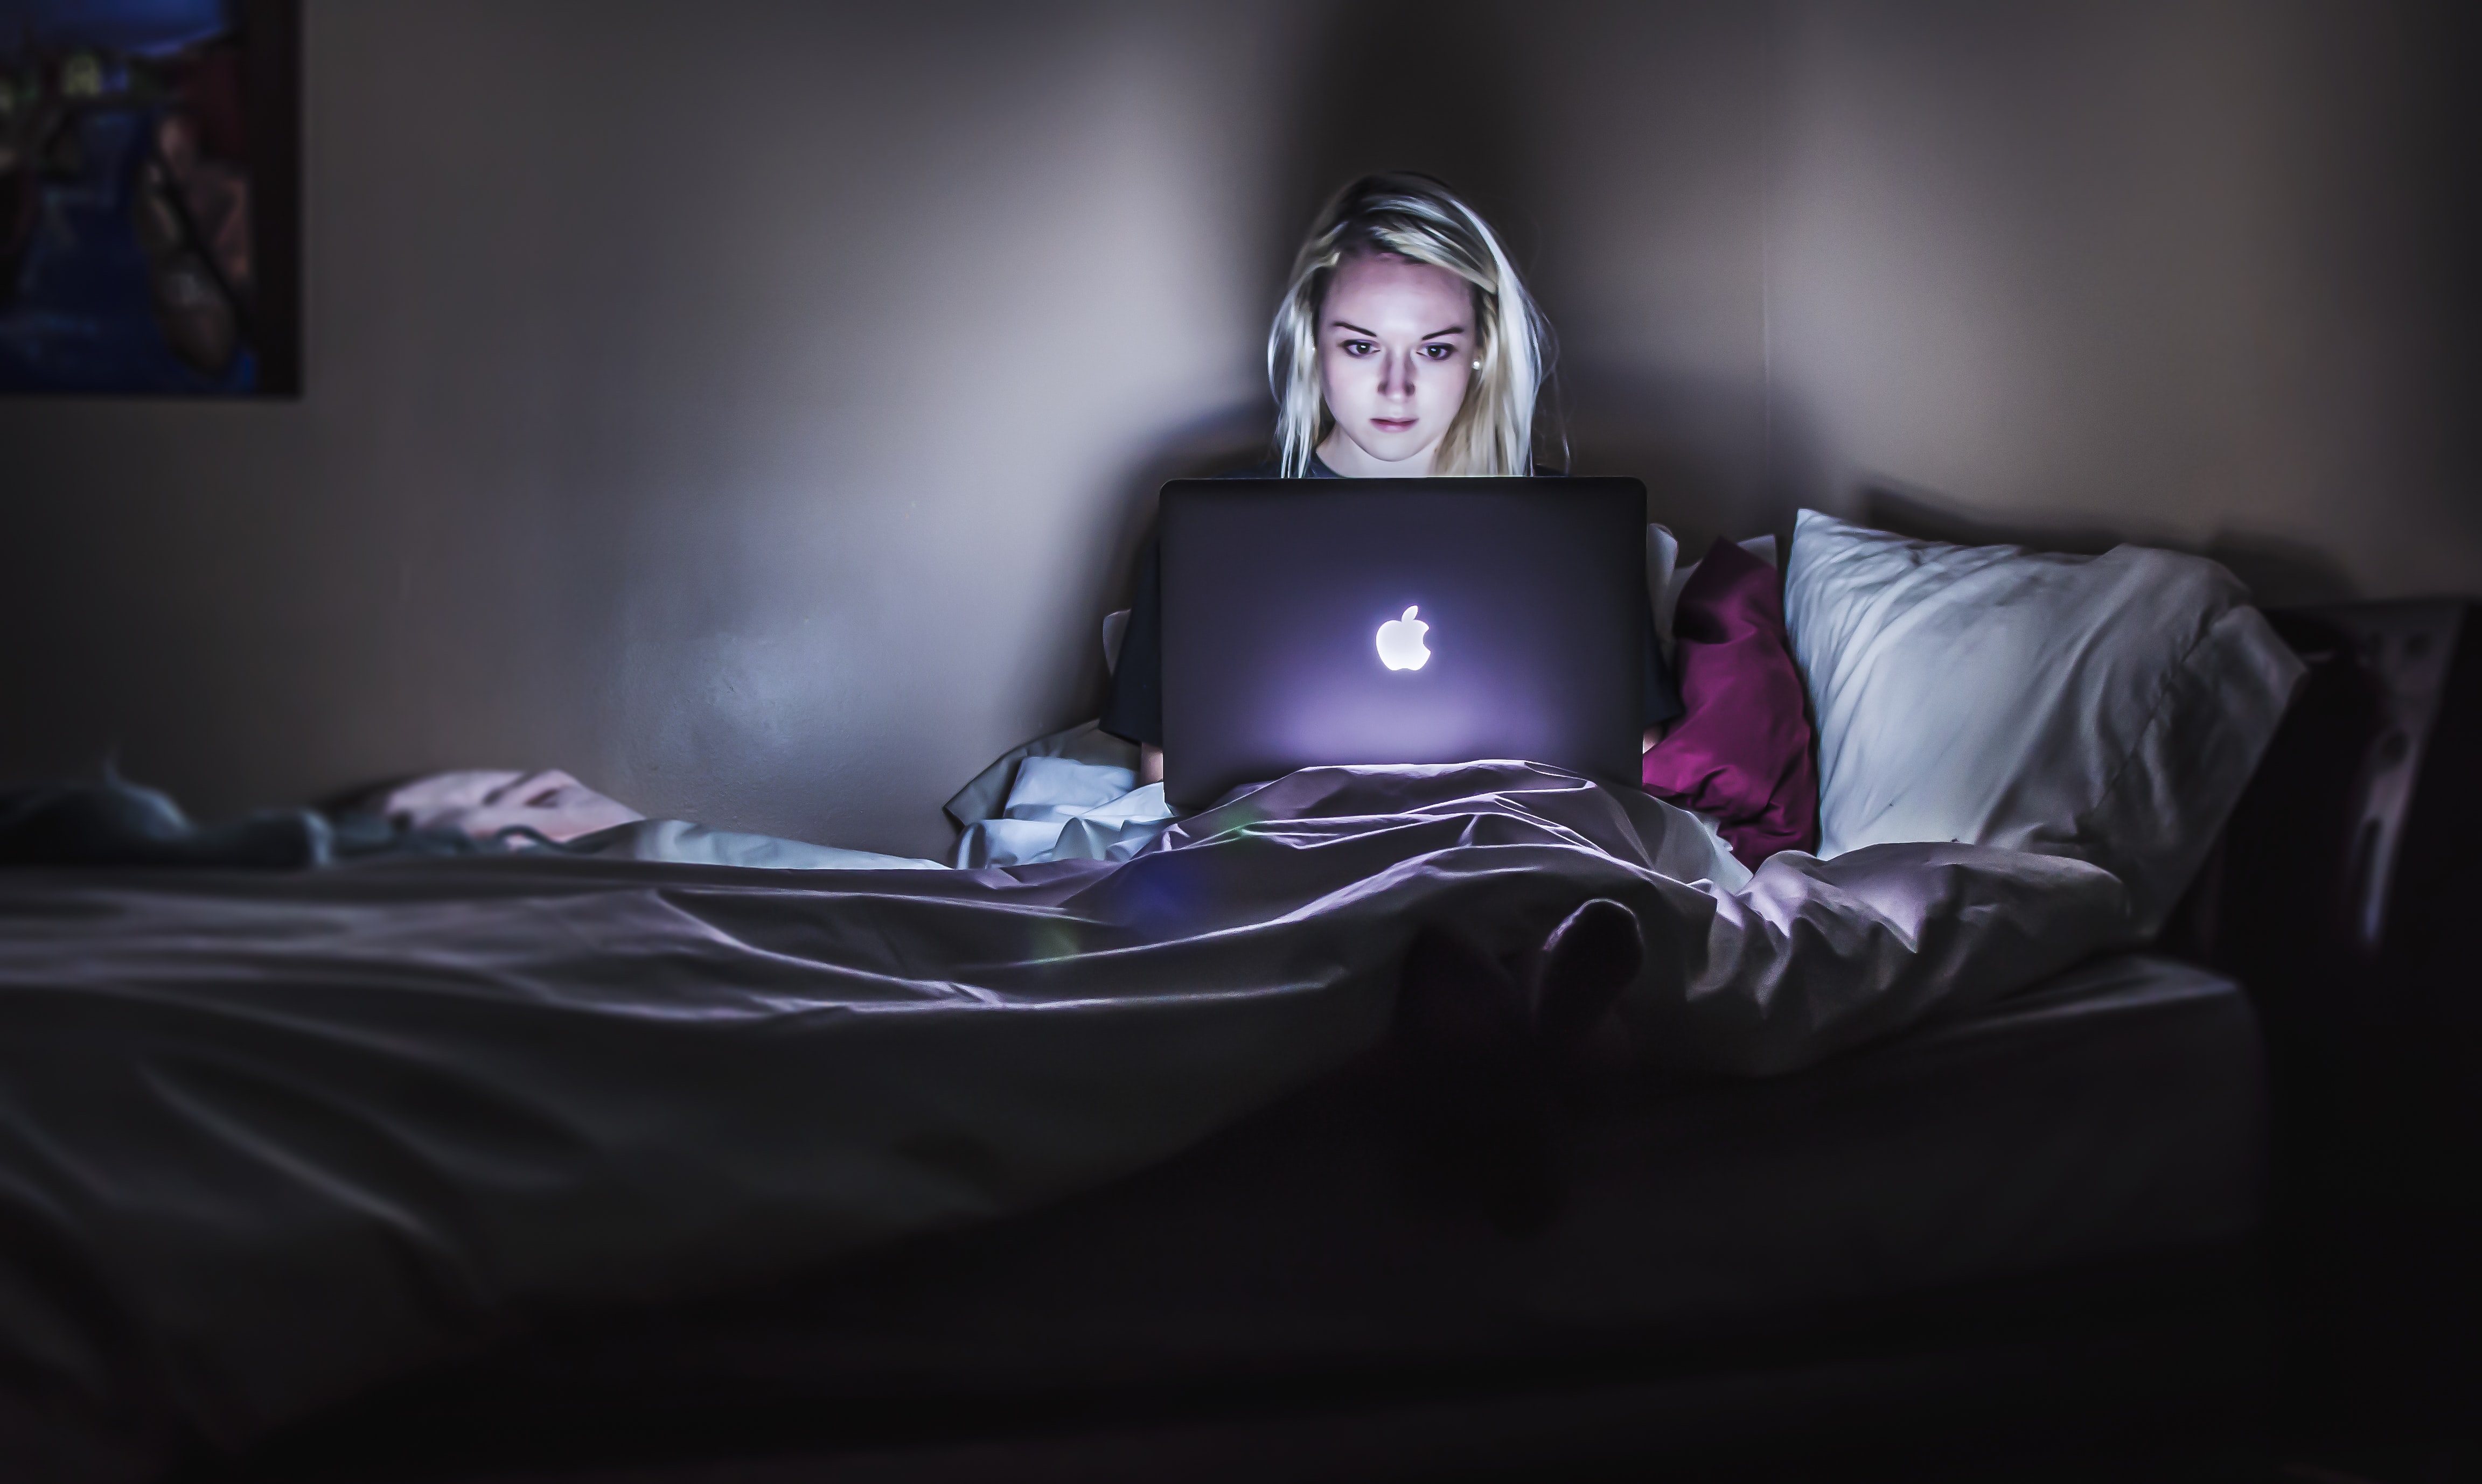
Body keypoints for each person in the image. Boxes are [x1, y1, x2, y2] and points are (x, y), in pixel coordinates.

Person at [1100, 172, 1684, 786]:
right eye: (1361, 347)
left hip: (1502, 839)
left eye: (1434, 350)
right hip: (1290, 848)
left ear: (1481, 349)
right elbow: (1167, 767)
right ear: (1312, 340)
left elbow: (1633, 746)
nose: (1396, 387)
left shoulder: (1568, 528)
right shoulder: (1212, 531)